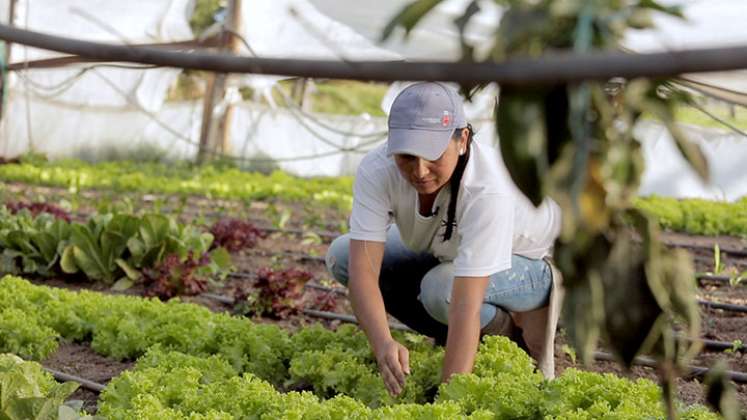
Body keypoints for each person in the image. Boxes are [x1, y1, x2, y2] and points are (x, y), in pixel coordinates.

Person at [325, 82, 563, 396]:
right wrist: (383, 343)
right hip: (448, 248)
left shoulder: (488, 188)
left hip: (535, 265)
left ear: (462, 140)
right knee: (342, 254)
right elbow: (363, 273)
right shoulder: (377, 169)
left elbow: (465, 304)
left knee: (443, 291)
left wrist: (449, 399)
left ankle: (505, 340)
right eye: (407, 156)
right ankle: (452, 339)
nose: (420, 171)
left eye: (432, 155)